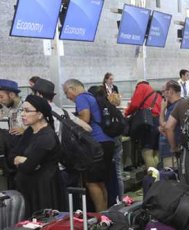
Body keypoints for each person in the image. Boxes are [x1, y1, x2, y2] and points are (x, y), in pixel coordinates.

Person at [30, 78, 92, 192]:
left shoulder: (39, 116)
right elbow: (88, 128)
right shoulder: (63, 112)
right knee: (74, 202)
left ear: (38, 94)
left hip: (53, 168)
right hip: (70, 163)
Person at [63, 79, 115, 211]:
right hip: (107, 141)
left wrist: (70, 121)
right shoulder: (91, 97)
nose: (67, 97)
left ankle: (100, 215)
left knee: (91, 182)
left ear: (72, 89)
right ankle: (105, 213)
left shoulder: (81, 98)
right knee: (100, 182)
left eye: (66, 92)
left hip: (97, 144)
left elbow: (85, 119)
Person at [8, 95, 64, 217]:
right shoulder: (30, 131)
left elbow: (28, 167)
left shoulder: (46, 137)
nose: (23, 114)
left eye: (27, 111)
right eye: (22, 110)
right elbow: (12, 155)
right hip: (28, 188)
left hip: (43, 190)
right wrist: (21, 159)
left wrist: (24, 161)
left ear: (40, 114)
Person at [125, 81, 162, 168]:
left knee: (147, 152)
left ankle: (152, 179)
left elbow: (134, 104)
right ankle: (157, 177)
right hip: (158, 122)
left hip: (148, 122)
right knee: (155, 152)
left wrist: (126, 113)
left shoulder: (141, 86)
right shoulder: (156, 94)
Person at [158, 80, 183, 168]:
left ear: (171, 91)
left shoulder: (175, 106)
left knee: (171, 177)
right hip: (173, 150)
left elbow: (166, 127)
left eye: (164, 91)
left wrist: (162, 109)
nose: (162, 95)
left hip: (171, 152)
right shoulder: (180, 104)